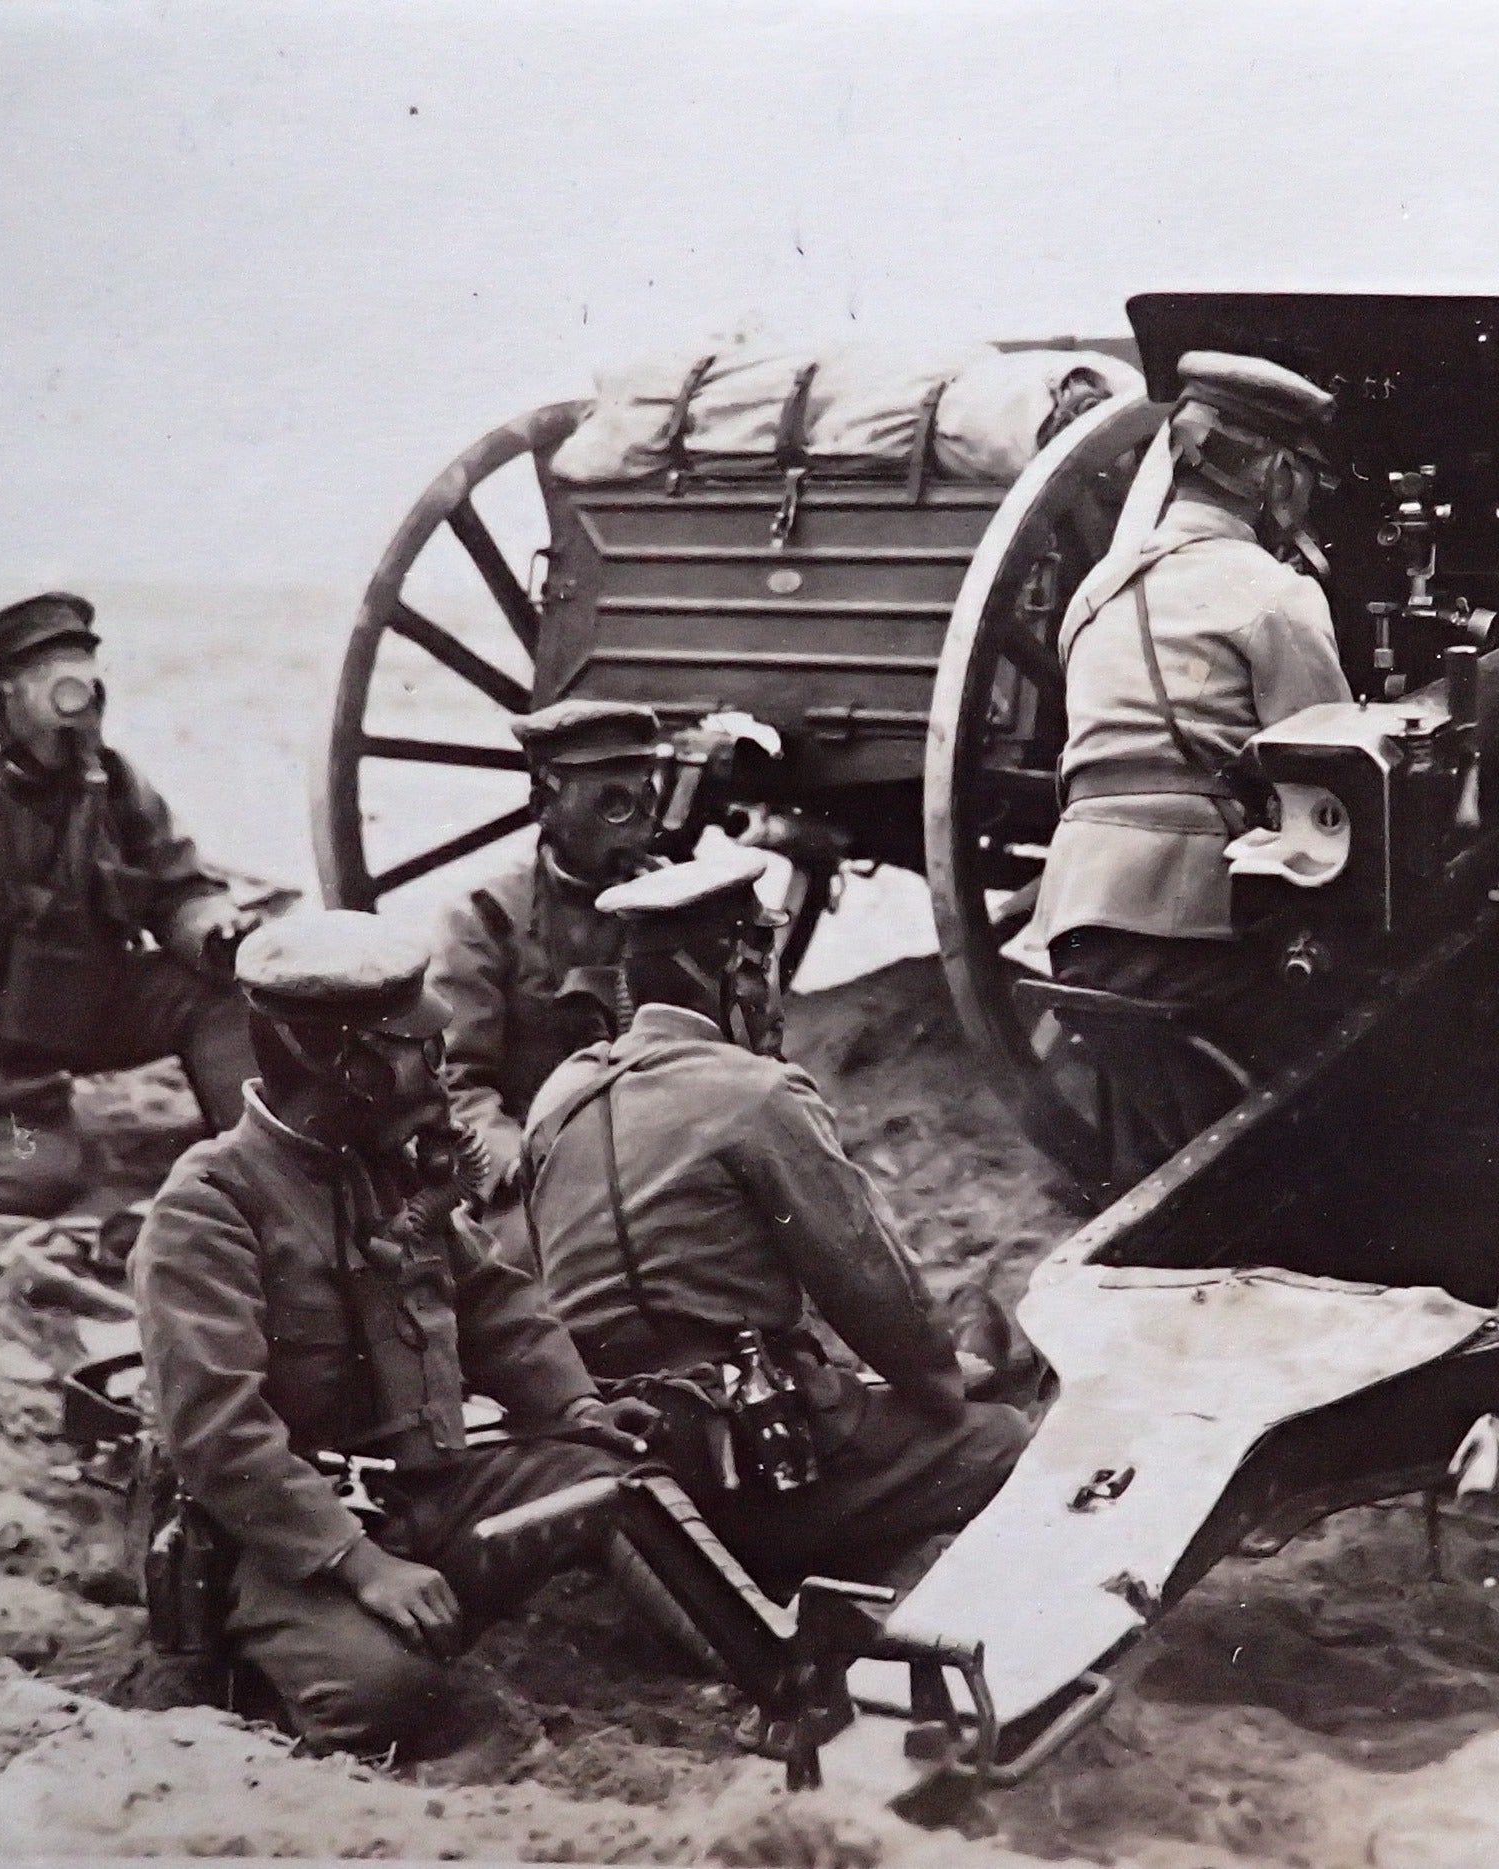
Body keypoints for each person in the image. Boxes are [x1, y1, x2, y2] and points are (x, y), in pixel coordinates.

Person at [129, 909, 661, 1766]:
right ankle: (260, 1670)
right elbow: (217, 1433)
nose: (438, 1067)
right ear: (345, 1063)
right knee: (387, 1692)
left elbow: (491, 1304)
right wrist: (359, 1564)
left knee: (627, 1487)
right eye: (419, 1047)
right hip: (281, 1534)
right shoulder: (209, 1208)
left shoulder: (386, 1169)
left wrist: (577, 1407)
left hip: (423, 1491)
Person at [522, 851, 1030, 1598]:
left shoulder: (556, 1099)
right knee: (1000, 1439)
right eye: (761, 970)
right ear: (731, 972)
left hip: (616, 1450)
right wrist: (947, 1381)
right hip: (743, 1461)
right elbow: (870, 1288)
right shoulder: (755, 1093)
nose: (771, 1001)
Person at [0, 592, 260, 1216]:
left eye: (87, 692)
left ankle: (251, 1145)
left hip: (85, 1005)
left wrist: (213, 930)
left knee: (219, 990)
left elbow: (179, 888)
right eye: (54, 689)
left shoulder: (116, 787)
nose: (78, 714)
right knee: (35, 1179)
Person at [1030, 350, 1352, 1037]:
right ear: (1277, 476)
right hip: (1195, 931)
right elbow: (1330, 777)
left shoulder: (1094, 594)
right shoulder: (1275, 592)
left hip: (1073, 929)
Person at [432, 700, 671, 1253]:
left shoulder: (674, 904)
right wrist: (515, 1161)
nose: (640, 824)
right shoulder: (486, 918)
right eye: (612, 803)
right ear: (545, 806)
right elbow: (457, 1081)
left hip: (659, 1156)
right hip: (535, 1170)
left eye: (646, 798)